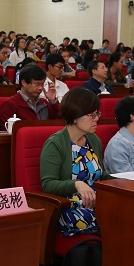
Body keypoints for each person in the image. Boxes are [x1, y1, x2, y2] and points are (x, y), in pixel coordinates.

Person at [40, 88, 111, 236]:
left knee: (128, 213)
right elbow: (48, 184)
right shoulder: (55, 144)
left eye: (97, 114)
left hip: (97, 203)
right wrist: (76, 184)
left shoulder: (93, 140)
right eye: (91, 115)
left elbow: (99, 175)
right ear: (74, 116)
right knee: (111, 222)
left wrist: (124, 182)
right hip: (68, 207)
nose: (96, 119)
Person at [0, 64, 59, 128]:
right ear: (24, 82)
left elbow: (59, 123)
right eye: (37, 84)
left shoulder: (44, 103)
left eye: (42, 84)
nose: (40, 88)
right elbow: (5, 131)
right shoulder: (10, 105)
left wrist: (53, 102)